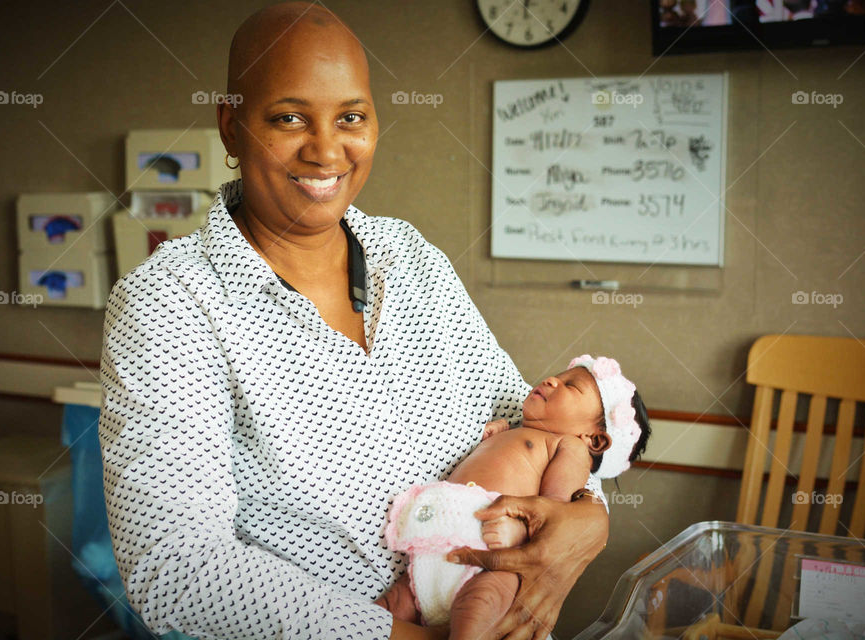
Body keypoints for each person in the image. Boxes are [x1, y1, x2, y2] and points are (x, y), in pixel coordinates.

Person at [98, 3, 610, 639]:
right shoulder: (170, 301)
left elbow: (537, 421)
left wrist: (589, 517)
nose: (325, 150)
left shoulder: (412, 258)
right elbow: (176, 568)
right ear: (231, 126)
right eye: (289, 118)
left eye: (351, 118)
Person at [379, 356, 651, 639]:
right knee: (389, 608)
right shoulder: (514, 430)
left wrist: (519, 530)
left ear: (594, 439)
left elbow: (553, 510)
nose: (551, 380)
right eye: (558, 376)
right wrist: (490, 437)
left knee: (478, 606)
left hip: (492, 556)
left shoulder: (569, 447)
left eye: (570, 386)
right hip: (434, 546)